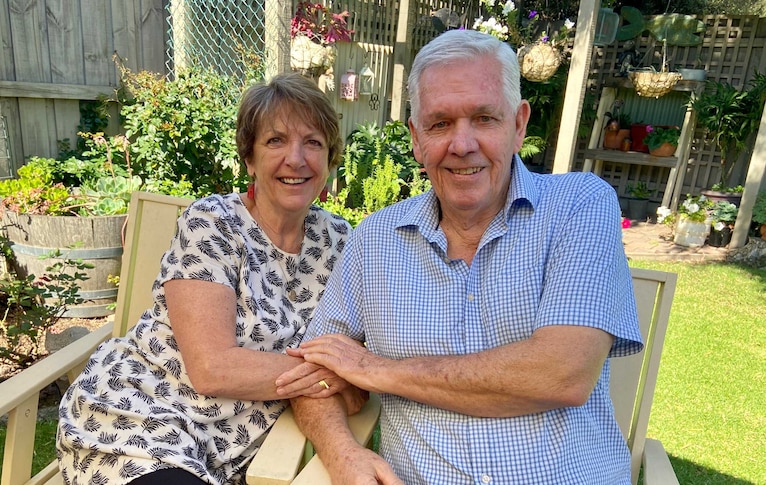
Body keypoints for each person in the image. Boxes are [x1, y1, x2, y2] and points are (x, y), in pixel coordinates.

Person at [276, 29, 644, 484]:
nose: (462, 144)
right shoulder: (375, 239)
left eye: (484, 118)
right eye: (440, 123)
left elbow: (562, 375)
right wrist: (342, 452)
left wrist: (376, 371)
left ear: (519, 123)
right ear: (415, 138)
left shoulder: (579, 206)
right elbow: (312, 372)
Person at [56, 72, 362, 485]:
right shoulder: (213, 223)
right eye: (275, 141)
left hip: (232, 449)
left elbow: (360, 382)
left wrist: (351, 372)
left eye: (313, 142)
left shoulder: (342, 243)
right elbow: (213, 369)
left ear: (330, 158)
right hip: (142, 417)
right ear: (249, 158)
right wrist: (332, 373)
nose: (296, 158)